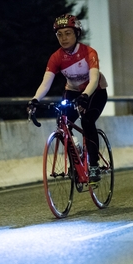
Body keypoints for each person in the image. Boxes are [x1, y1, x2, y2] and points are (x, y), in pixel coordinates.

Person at [28, 14, 108, 183]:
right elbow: (45, 83)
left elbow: (93, 79)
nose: (63, 38)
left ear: (76, 33)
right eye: (59, 34)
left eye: (68, 33)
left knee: (87, 121)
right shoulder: (56, 57)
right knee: (62, 123)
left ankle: (93, 165)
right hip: (72, 91)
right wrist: (35, 99)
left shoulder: (88, 52)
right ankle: (76, 156)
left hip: (95, 91)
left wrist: (85, 96)